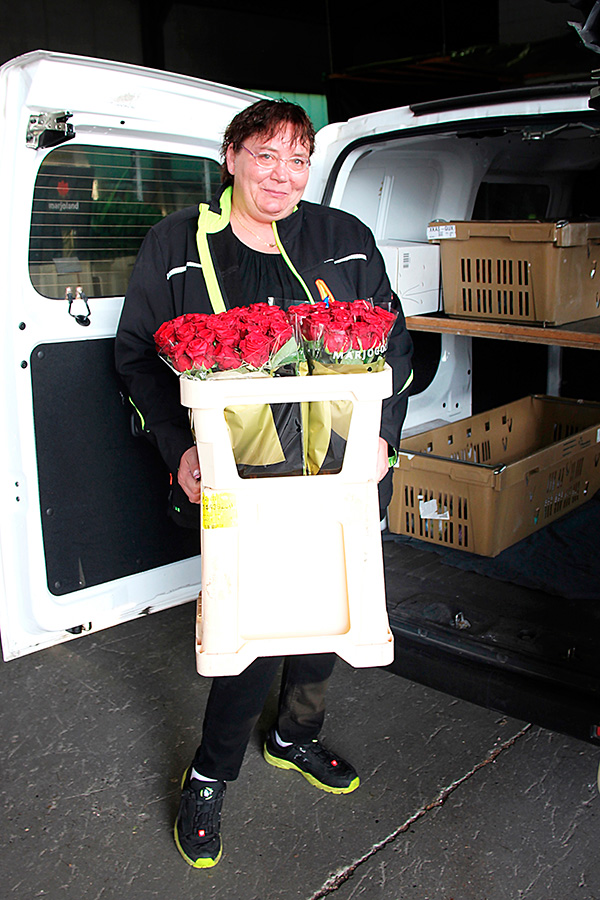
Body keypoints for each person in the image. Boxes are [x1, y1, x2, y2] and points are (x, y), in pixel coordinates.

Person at [115, 99, 413, 869]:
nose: (282, 175)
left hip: (341, 468)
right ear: (231, 157)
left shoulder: (343, 238)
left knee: (330, 614)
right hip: (245, 475)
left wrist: (382, 435)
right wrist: (178, 447)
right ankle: (211, 773)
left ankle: (293, 734)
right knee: (246, 628)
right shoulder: (177, 246)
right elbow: (138, 357)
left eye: (298, 159)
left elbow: (395, 344)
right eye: (265, 155)